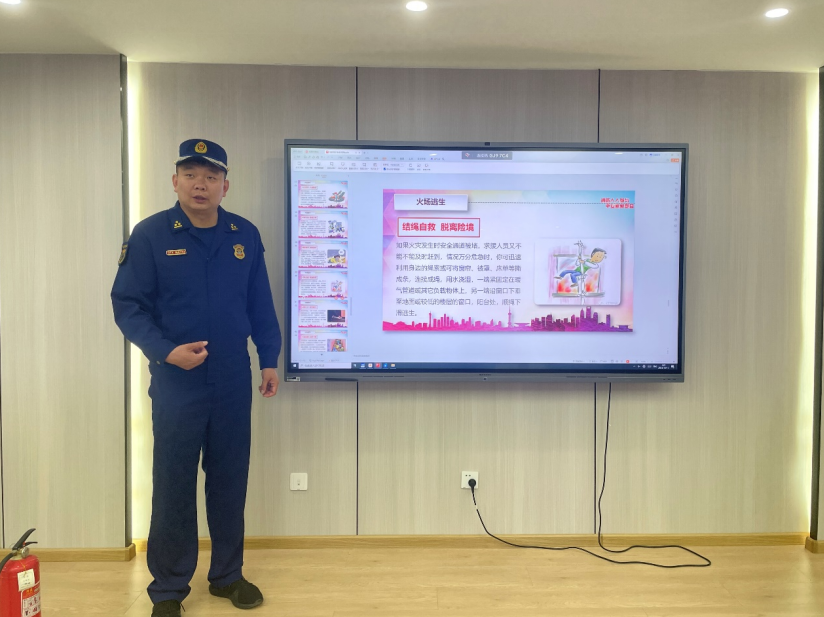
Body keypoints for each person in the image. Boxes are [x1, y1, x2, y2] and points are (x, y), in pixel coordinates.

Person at [112, 139, 282, 617]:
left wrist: (269, 358)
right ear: (175, 182)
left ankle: (227, 575)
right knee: (173, 482)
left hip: (231, 379)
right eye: (190, 175)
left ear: (225, 185)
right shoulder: (150, 235)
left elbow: (260, 304)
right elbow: (128, 305)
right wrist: (166, 351)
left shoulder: (243, 234)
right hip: (177, 382)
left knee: (229, 479)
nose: (200, 184)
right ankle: (168, 589)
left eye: (210, 176)